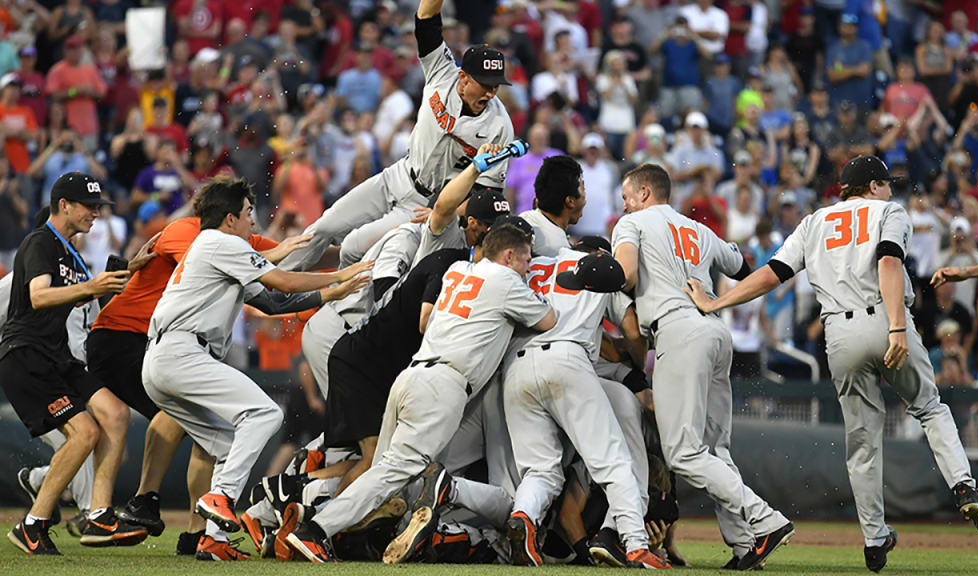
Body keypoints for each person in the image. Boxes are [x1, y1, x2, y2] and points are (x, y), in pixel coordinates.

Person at [687, 156, 978, 573]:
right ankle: (963, 486)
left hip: (839, 332)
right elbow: (888, 262)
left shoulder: (814, 222)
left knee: (863, 441)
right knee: (929, 406)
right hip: (885, 316)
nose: (891, 189)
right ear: (872, 186)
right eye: (887, 183)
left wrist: (717, 301)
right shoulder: (889, 211)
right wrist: (895, 328)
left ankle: (874, 539)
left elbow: (772, 274)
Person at [283, 224, 556, 563]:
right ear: (509, 255)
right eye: (526, 259)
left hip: (411, 375)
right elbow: (548, 319)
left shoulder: (458, 270)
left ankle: (324, 520)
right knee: (392, 472)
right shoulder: (506, 280)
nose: (529, 267)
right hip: (444, 385)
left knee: (382, 474)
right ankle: (315, 530)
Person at [140, 176, 372, 561]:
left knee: (228, 448)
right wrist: (340, 274)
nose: (254, 221)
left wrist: (328, 294)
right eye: (248, 213)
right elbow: (280, 279)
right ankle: (221, 498)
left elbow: (271, 303)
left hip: (164, 359)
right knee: (264, 413)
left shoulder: (214, 247)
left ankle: (212, 540)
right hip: (182, 352)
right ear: (229, 218)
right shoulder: (223, 242)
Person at [612, 163, 793, 571]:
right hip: (715, 330)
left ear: (643, 193)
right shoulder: (698, 229)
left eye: (626, 196)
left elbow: (624, 275)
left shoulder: (633, 224)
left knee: (683, 453)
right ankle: (746, 546)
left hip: (678, 332)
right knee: (715, 449)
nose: (623, 205)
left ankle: (765, 520)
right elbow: (744, 267)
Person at [278, 0, 514, 271]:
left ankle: (335, 306)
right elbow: (426, 17)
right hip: (398, 175)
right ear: (463, 77)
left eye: (495, 86)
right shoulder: (441, 71)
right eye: (484, 84)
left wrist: (445, 215)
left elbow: (487, 194)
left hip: (423, 206)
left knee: (355, 247)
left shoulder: (499, 126)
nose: (490, 93)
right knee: (323, 226)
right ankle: (275, 285)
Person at [1, 173, 149, 555]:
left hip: (59, 357)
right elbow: (38, 296)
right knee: (84, 433)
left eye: (98, 206)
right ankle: (32, 525)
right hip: (28, 355)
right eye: (89, 205)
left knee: (115, 415)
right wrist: (91, 287)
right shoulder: (40, 242)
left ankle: (100, 516)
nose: (97, 213)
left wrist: (131, 268)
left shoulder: (70, 253)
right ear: (63, 205)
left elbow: (92, 292)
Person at [503, 249, 669, 569]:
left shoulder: (535, 262)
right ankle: (635, 545)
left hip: (517, 367)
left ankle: (523, 515)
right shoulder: (601, 272)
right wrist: (632, 358)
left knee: (540, 470)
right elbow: (632, 331)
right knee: (615, 461)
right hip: (568, 359)